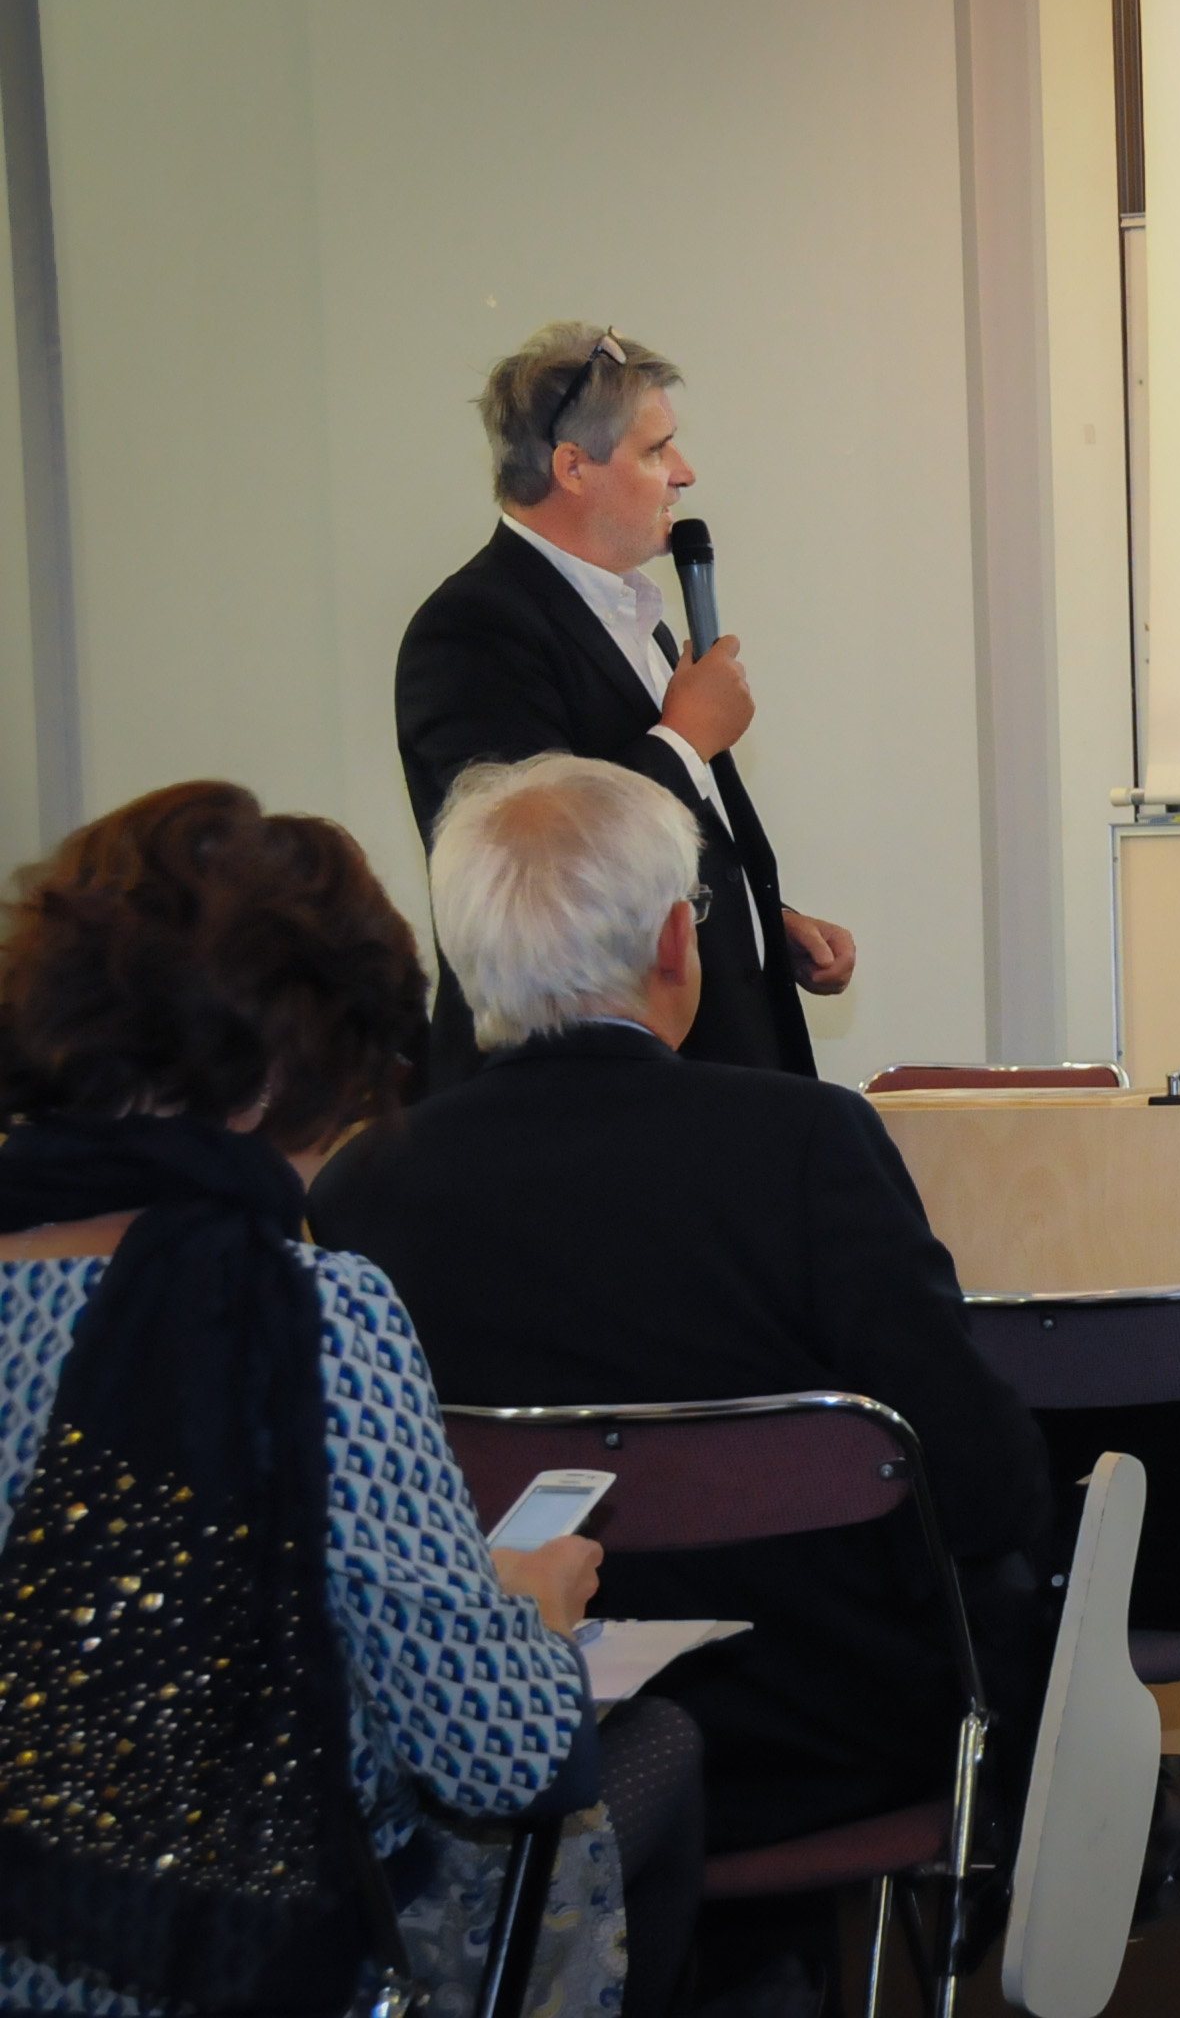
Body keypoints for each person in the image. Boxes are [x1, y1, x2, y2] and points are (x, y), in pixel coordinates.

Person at [0, 781, 699, 2018]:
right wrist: (525, 1613)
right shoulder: (303, 1317)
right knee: (642, 1756)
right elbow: (496, 1752)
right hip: (232, 1962)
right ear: (274, 1090)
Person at [306, 753, 1049, 1864]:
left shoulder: (362, 1186)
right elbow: (981, 1484)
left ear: (466, 958)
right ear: (672, 941)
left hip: (507, 1739)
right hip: (818, 1727)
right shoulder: (806, 1141)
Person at [393, 321, 854, 1089]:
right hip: (570, 1102)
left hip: (706, 1067)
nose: (685, 473)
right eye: (654, 450)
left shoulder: (633, 613)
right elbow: (536, 871)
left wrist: (751, 923)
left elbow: (659, 848)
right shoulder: (471, 627)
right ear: (573, 467)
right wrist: (683, 740)